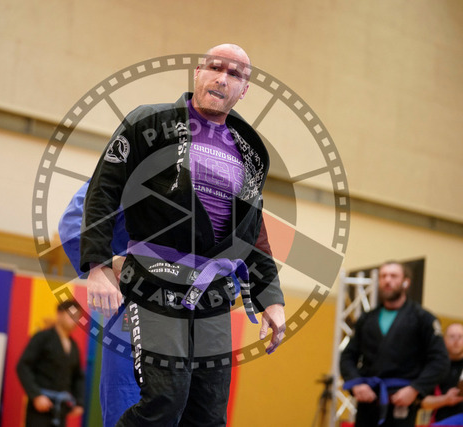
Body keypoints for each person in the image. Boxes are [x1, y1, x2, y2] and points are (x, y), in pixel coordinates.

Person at [80, 43, 286, 426]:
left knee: (208, 413)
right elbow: (103, 190)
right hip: (155, 275)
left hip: (213, 289)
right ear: (197, 73)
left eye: (234, 75)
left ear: (244, 90)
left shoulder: (249, 152)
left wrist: (270, 298)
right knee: (165, 398)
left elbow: (251, 231)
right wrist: (97, 265)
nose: (222, 79)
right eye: (215, 67)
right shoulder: (149, 123)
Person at [59, 180, 140, 427]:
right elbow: (73, 223)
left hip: (190, 313)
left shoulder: (216, 176)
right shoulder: (131, 169)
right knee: (126, 400)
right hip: (133, 303)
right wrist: (105, 262)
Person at [339, 261, 449, 427]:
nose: (387, 280)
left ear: (406, 282)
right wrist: (356, 383)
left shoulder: (423, 319)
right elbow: (347, 356)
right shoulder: (367, 319)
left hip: (402, 401)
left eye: (393, 276)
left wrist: (415, 389)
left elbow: (440, 360)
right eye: (383, 276)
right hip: (368, 401)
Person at [17, 300, 85, 427]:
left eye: (77, 317)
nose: (74, 320)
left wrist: (79, 402)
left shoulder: (74, 346)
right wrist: (36, 395)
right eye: (71, 315)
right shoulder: (42, 337)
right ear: (59, 314)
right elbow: (23, 366)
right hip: (39, 407)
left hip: (61, 408)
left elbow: (78, 377)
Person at [421, 323, 463, 422]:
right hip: (441, 421)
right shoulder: (434, 366)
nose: (456, 341)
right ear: (443, 341)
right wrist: (446, 399)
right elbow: (423, 402)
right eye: (452, 336)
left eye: (460, 337)